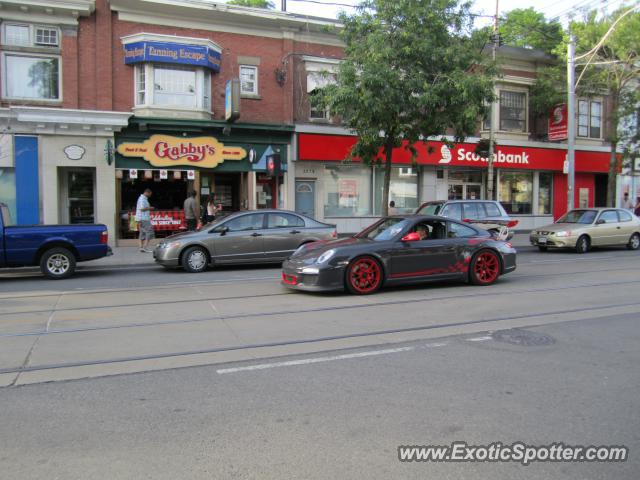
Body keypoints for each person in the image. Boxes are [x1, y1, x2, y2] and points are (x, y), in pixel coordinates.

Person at [135, 188, 154, 252]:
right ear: (147, 192)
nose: (150, 195)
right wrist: (150, 208)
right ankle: (145, 247)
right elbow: (142, 208)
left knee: (142, 232)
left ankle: (141, 247)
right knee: (149, 232)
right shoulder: (142, 199)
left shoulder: (142, 198)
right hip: (144, 218)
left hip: (141, 218)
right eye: (150, 194)